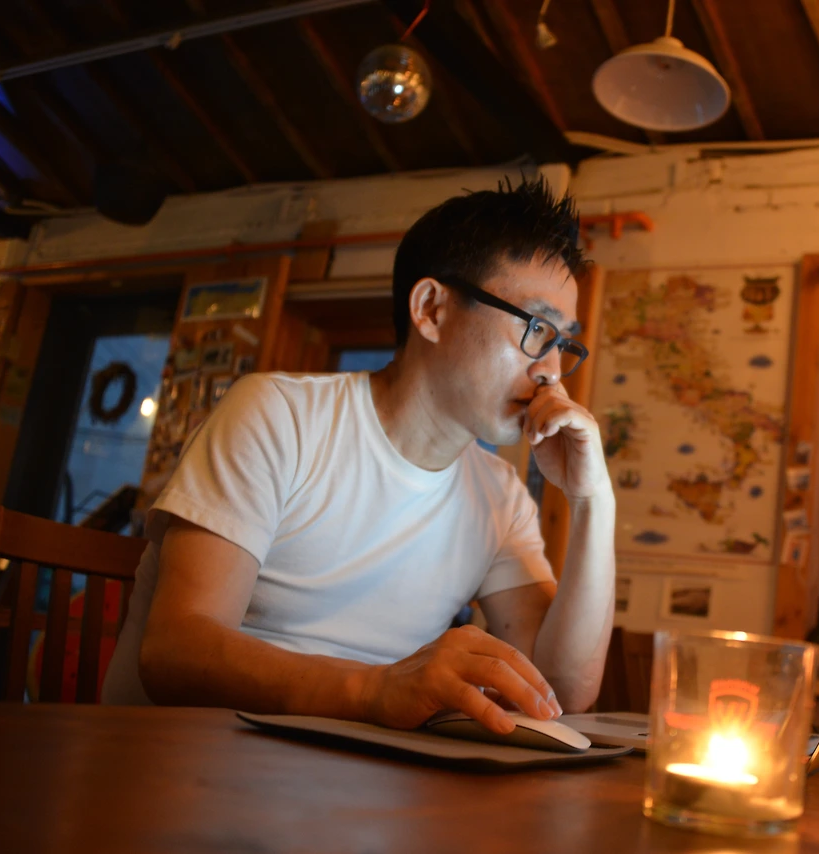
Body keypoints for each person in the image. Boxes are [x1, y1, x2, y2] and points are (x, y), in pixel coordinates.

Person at [102, 178, 616, 736]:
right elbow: (174, 651)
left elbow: (561, 691)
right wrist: (376, 690)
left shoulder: (499, 496)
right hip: (182, 758)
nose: (552, 372)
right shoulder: (278, 416)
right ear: (431, 310)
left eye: (563, 343)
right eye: (537, 328)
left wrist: (594, 500)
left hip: (357, 776)